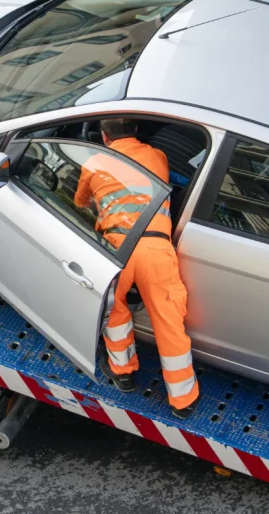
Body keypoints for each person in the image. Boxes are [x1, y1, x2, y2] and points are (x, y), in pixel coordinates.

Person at [73, 119, 201, 418]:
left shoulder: (94, 163)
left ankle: (123, 372)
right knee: (168, 321)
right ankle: (183, 400)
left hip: (116, 249)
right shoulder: (158, 156)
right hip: (156, 248)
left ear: (104, 136)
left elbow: (80, 202)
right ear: (136, 131)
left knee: (113, 311)